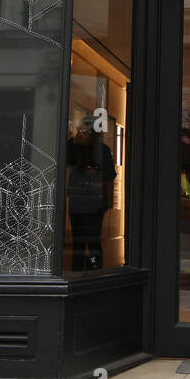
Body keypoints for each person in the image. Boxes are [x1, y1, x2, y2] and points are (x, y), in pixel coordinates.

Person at [66, 116, 116, 271]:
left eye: (87, 130)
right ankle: (87, 269)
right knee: (84, 242)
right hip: (82, 199)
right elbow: (108, 177)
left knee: (87, 241)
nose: (84, 133)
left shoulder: (101, 150)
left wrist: (107, 201)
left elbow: (108, 177)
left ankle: (90, 268)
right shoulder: (75, 147)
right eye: (82, 130)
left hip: (90, 200)